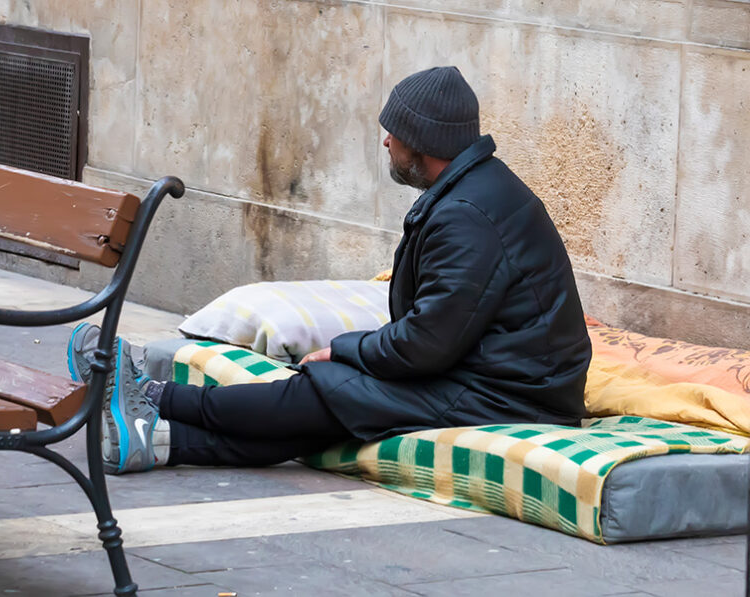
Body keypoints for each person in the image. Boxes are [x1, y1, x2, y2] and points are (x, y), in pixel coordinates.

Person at [69, 66, 593, 475]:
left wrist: (343, 350)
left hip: (512, 394)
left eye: (394, 132)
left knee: (330, 388)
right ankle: (161, 441)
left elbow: (426, 344)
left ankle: (156, 397)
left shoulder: (467, 216)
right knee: (338, 404)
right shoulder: (474, 190)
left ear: (421, 141)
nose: (386, 142)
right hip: (497, 374)